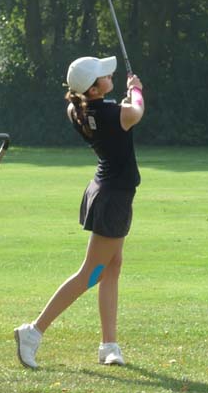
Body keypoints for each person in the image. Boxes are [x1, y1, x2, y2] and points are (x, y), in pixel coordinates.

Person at [14, 56, 145, 368]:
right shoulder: (115, 114)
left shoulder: (78, 109)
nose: (107, 74)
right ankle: (33, 331)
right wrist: (136, 90)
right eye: (102, 74)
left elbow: (115, 114)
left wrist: (122, 100)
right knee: (91, 273)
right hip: (112, 198)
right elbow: (136, 112)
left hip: (107, 193)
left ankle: (108, 345)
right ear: (95, 89)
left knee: (111, 268)